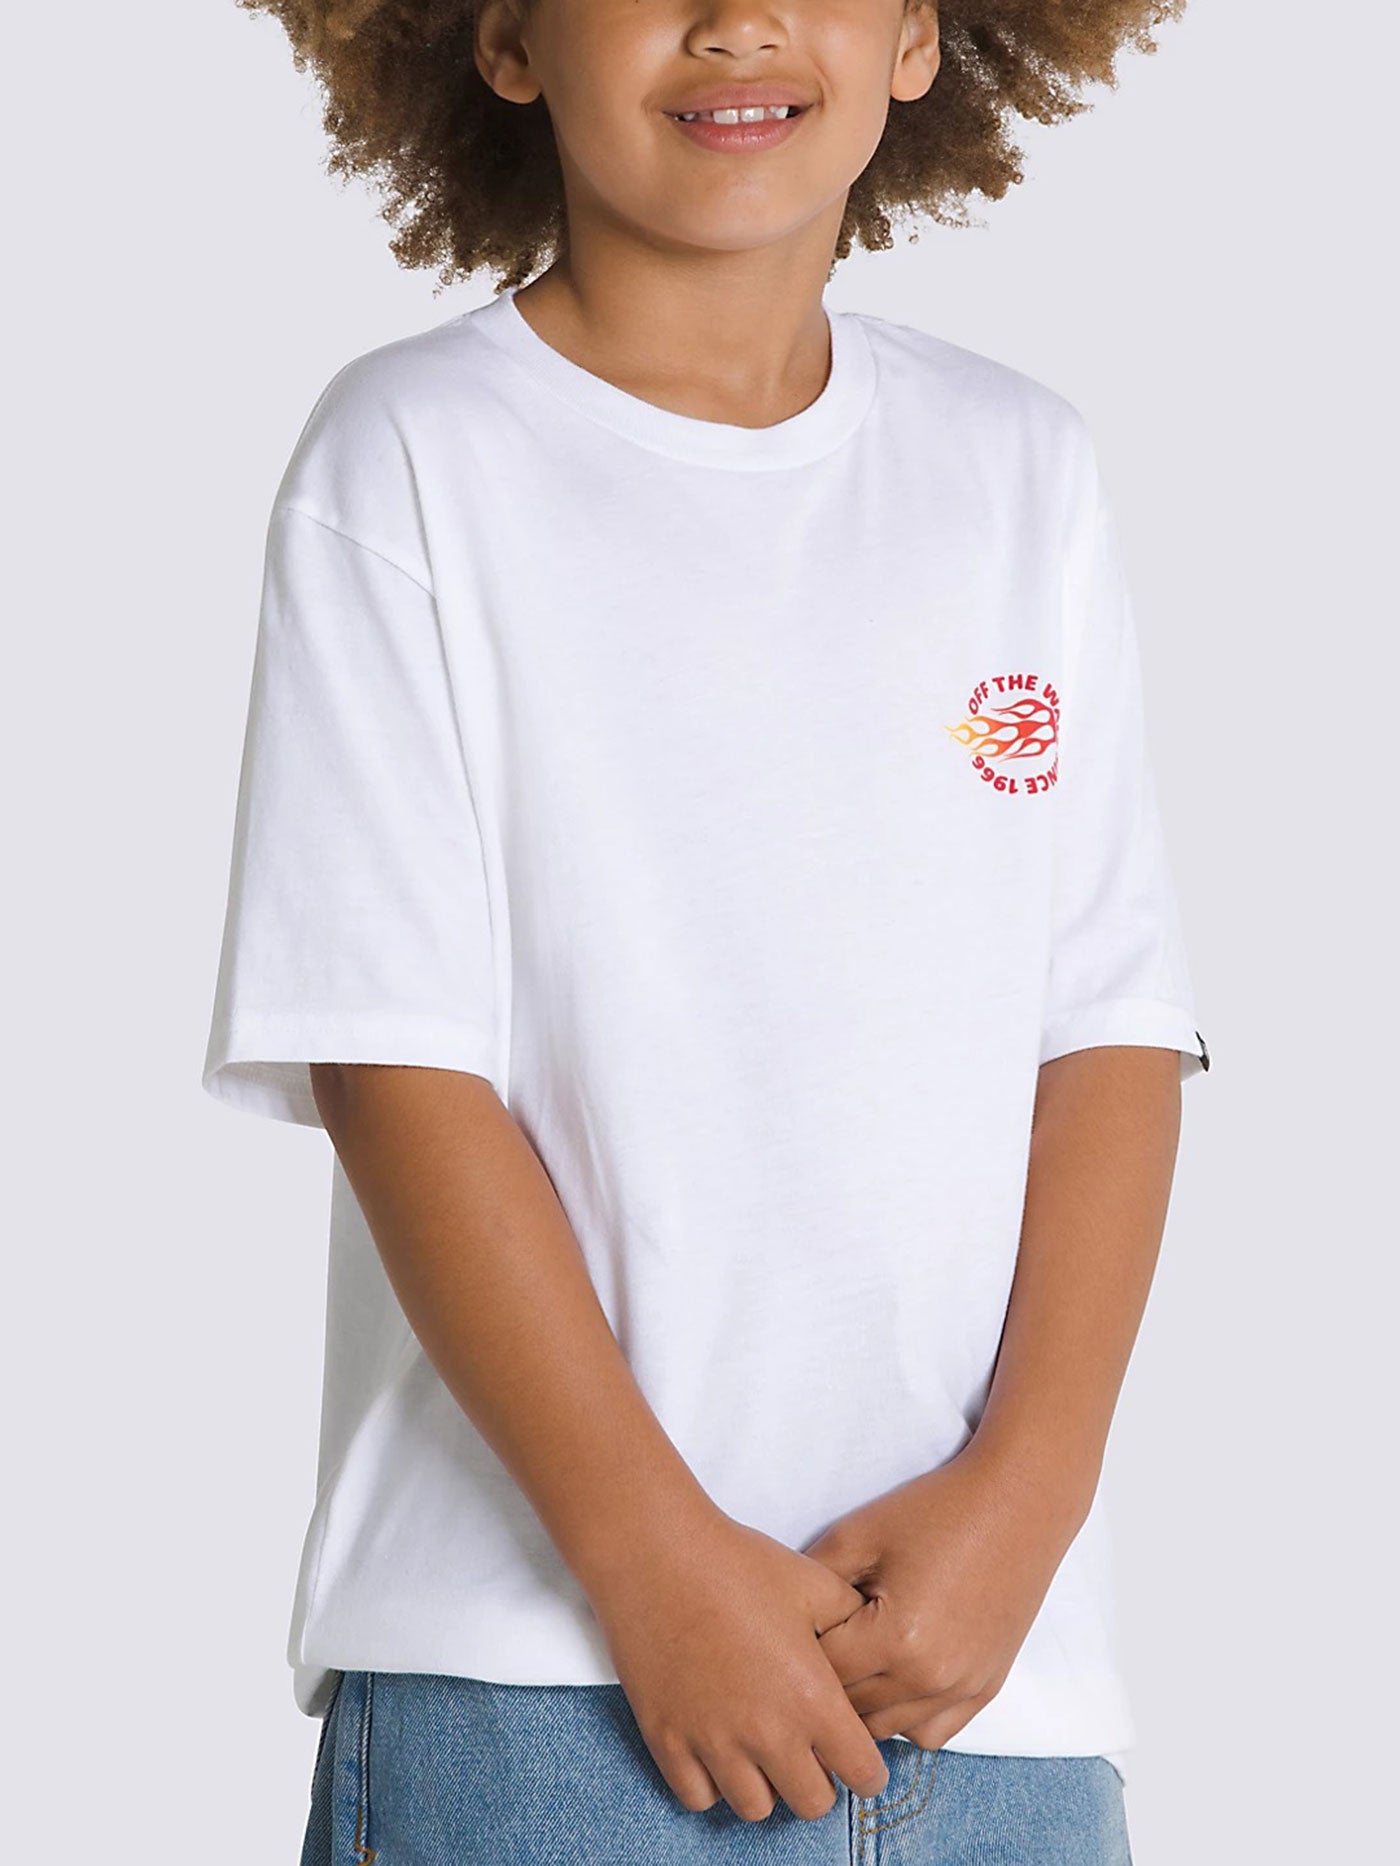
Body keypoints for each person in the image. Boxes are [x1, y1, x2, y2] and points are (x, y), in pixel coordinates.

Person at [201, 1, 1210, 1859]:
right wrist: (647, 1556)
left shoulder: (1020, 467)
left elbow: (1107, 1028)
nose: (735, 18)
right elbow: (391, 1065)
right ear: (507, 38)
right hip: (547, 1683)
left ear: (920, 36)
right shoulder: (414, 455)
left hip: (992, 1686)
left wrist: (1029, 1498)